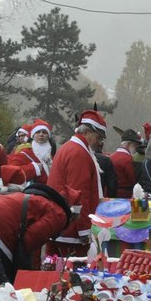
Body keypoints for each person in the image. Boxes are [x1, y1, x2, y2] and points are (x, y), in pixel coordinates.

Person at [46, 110, 110, 257]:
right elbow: (78, 195)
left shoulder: (69, 148)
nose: (100, 142)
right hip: (70, 231)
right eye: (98, 136)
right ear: (86, 132)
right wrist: (84, 230)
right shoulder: (79, 153)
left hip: (61, 225)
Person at [111, 130, 141, 198]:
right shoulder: (128, 160)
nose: (136, 148)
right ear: (129, 144)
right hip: (125, 196)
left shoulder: (111, 157)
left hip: (111, 194)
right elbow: (132, 180)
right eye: (135, 145)